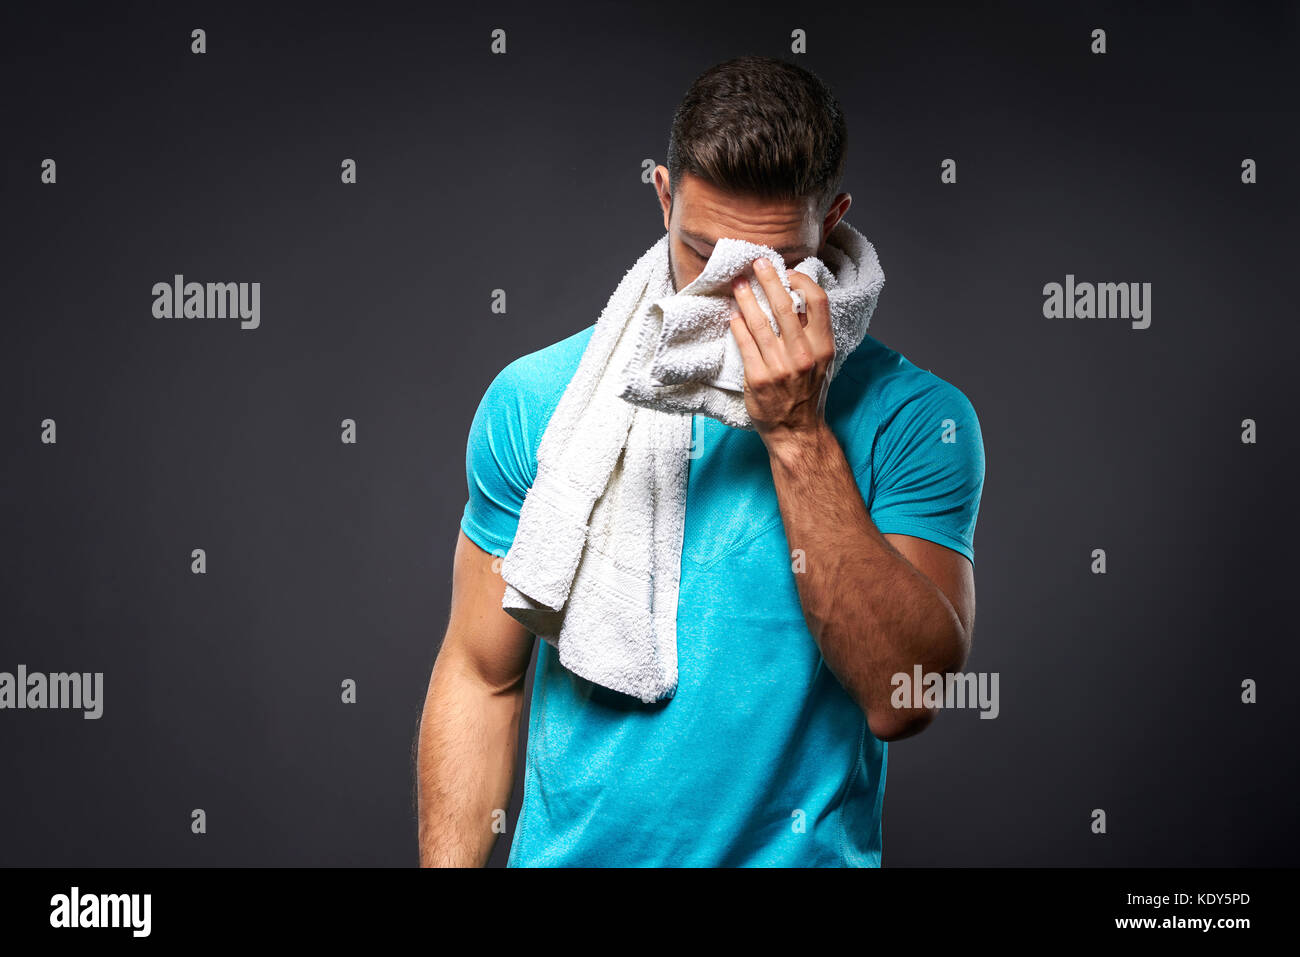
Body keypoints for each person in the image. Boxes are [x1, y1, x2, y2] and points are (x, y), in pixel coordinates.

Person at [417, 54, 985, 867]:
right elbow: (482, 676)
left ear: (833, 224)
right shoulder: (542, 401)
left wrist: (796, 434)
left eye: (771, 264)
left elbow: (908, 695)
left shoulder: (916, 419)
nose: (728, 294)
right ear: (661, 195)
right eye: (702, 251)